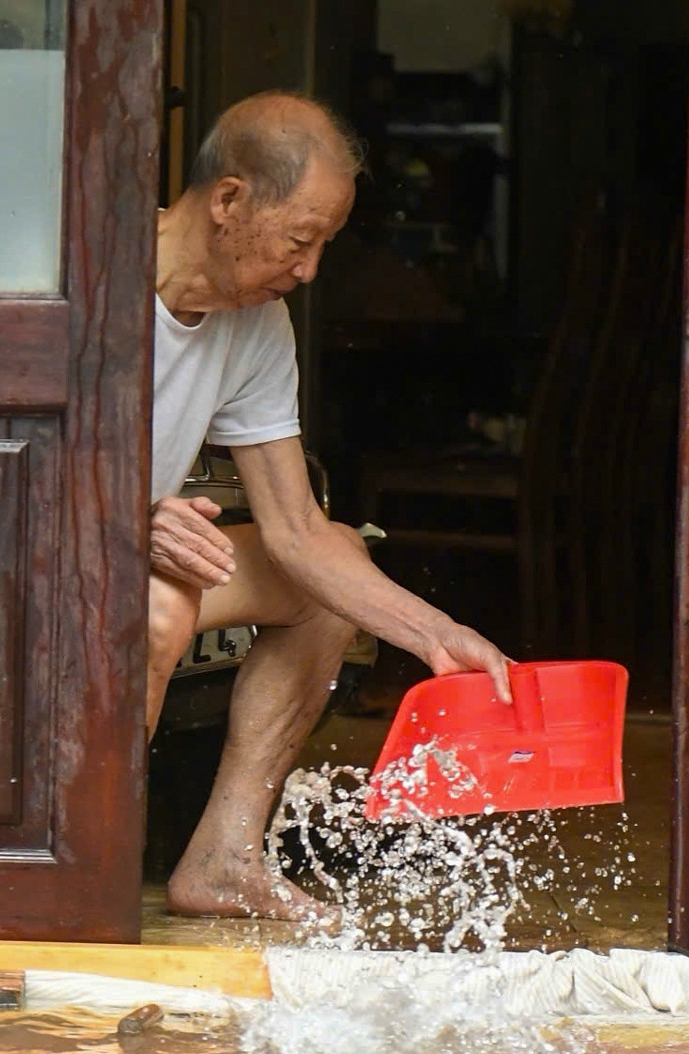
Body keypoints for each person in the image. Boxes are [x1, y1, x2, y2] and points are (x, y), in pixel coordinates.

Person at [151, 91, 513, 922]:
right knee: (159, 608)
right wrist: (119, 518)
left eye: (322, 246)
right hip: (31, 554)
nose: (309, 270)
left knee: (329, 569)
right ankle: (82, 869)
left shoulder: (256, 323)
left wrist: (434, 636)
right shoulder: (86, 274)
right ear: (230, 200)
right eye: (300, 240)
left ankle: (225, 860)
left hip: (134, 549)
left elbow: (297, 530)